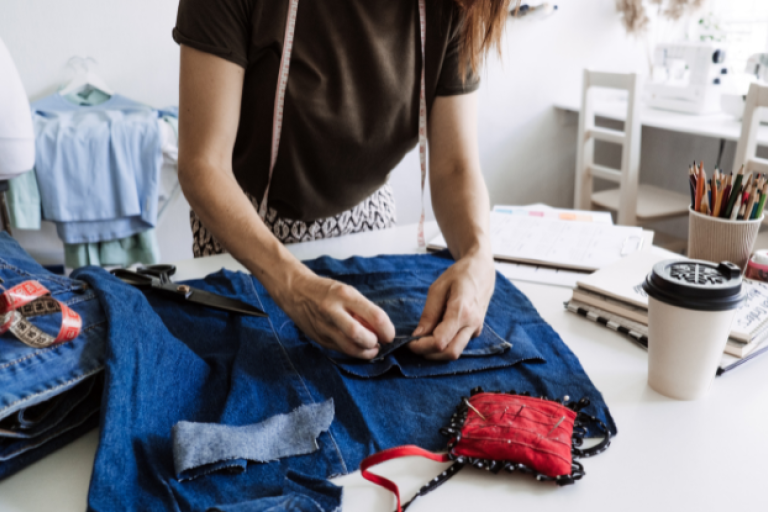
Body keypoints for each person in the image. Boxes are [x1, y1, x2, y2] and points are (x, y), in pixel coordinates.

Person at [173, 0, 511, 361]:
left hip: (365, 222)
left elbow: (455, 167)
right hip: (244, 229)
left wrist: (478, 256)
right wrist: (293, 284)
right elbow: (203, 165)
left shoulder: (461, 6)